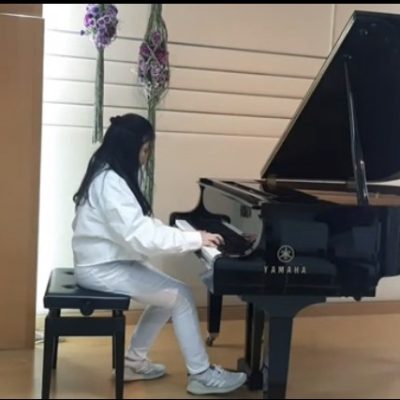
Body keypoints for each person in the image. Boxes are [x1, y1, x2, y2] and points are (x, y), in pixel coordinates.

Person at [71, 113, 247, 395]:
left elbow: (140, 225)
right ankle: (201, 375)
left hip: (106, 261)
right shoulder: (110, 183)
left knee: (168, 295)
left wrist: (188, 236)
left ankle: (133, 363)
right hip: (102, 268)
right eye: (145, 150)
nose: (146, 158)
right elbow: (141, 236)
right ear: (130, 148)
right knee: (181, 296)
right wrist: (193, 238)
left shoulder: (106, 174)